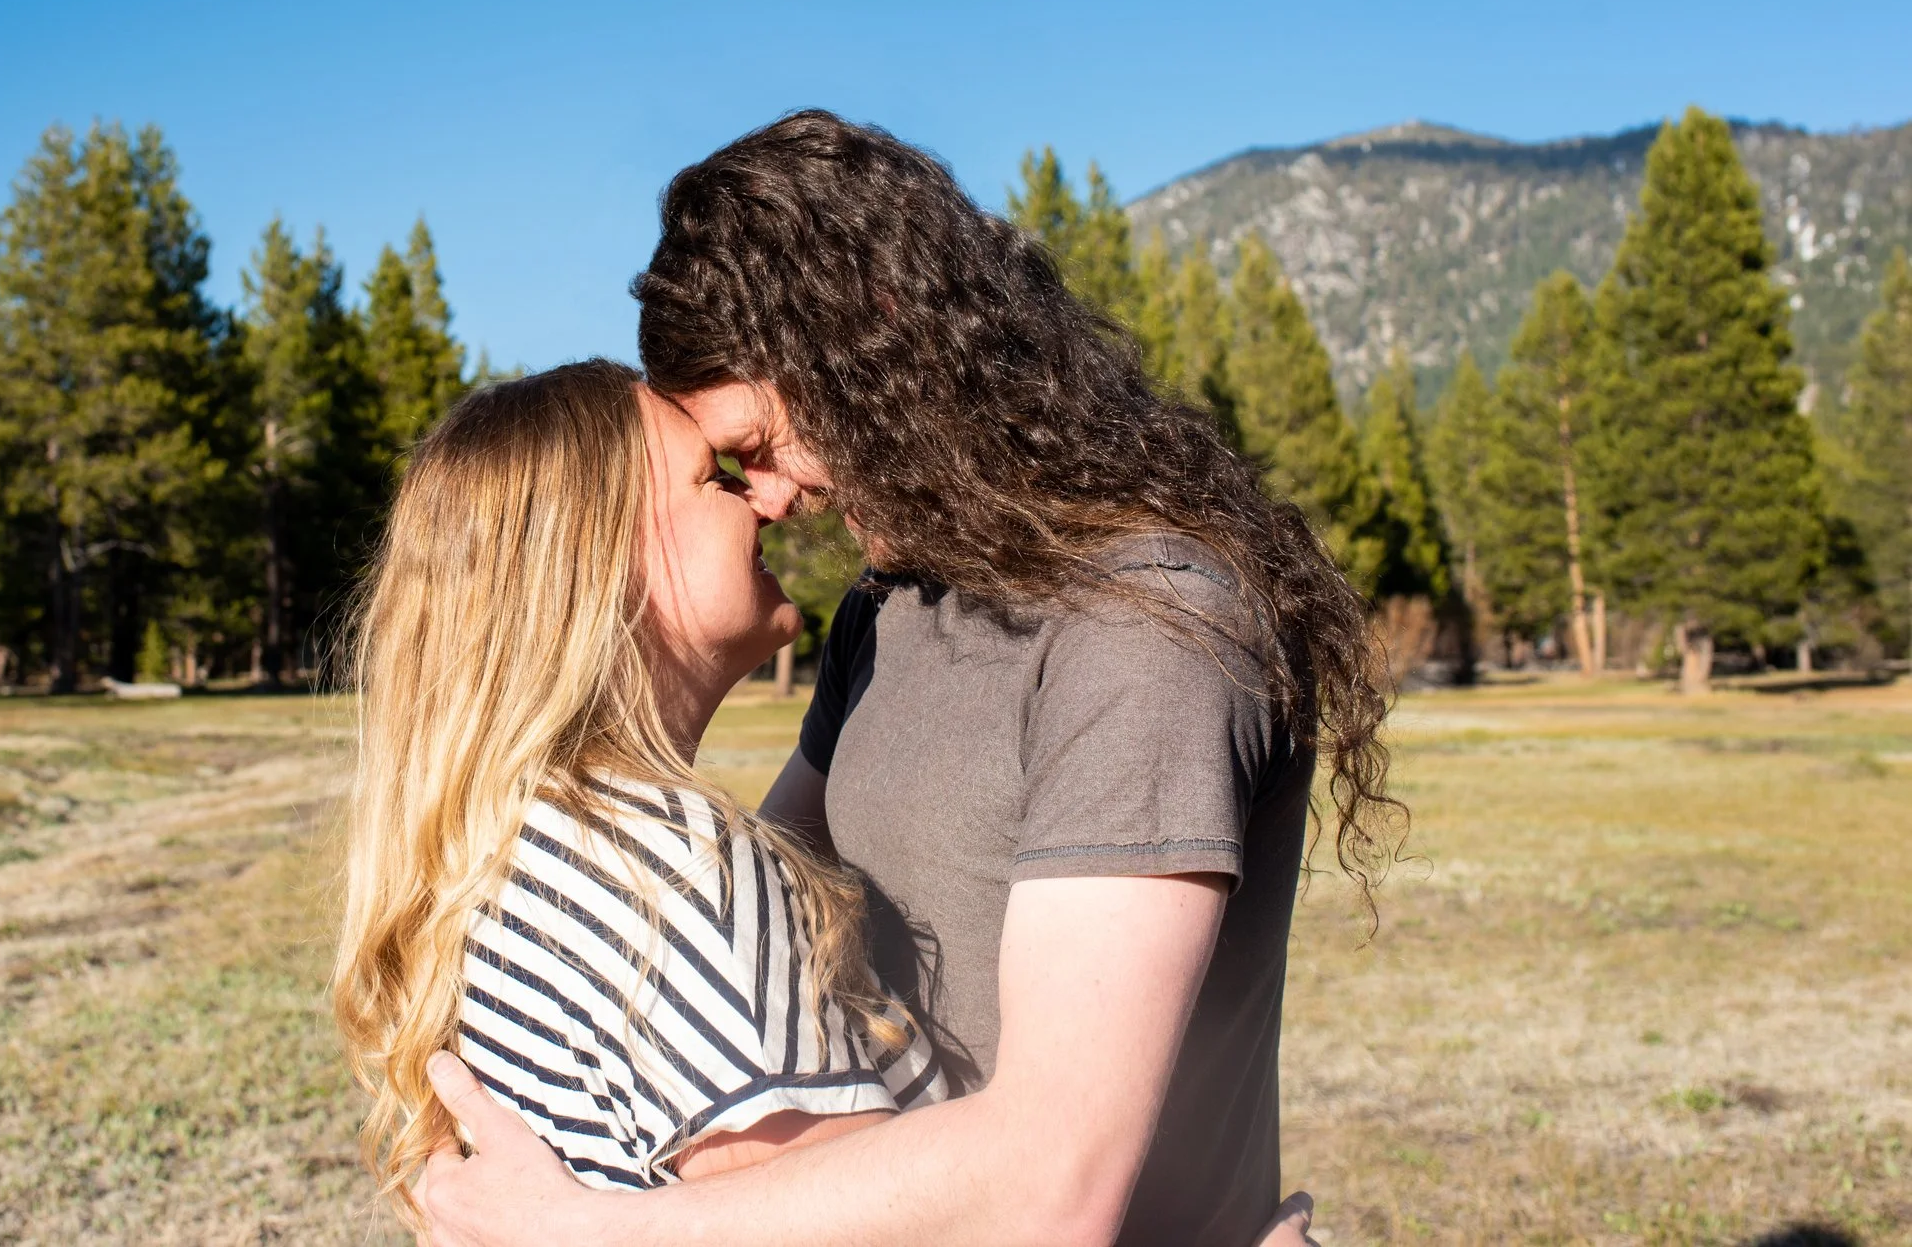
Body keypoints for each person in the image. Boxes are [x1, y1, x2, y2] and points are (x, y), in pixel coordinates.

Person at [417, 111, 1395, 1247]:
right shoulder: (888, 613)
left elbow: (1053, 1179)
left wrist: (585, 1234)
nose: (768, 495)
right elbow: (758, 919)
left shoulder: (1148, 623)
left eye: (759, 441)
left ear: (876, 348)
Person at [331, 361, 950, 1230]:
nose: (763, 501)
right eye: (715, 478)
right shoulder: (673, 871)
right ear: (605, 561)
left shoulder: (525, 840)